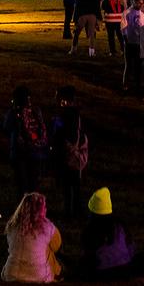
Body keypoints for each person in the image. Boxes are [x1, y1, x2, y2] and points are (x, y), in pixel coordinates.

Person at [72, 186, 139, 280]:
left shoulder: (91, 230)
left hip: (102, 272)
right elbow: (131, 248)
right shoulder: (120, 226)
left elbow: (88, 254)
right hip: (125, 269)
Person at [0, 192, 62, 282]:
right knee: (48, 249)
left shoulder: (12, 226)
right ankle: (57, 273)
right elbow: (57, 246)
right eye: (44, 207)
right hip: (38, 276)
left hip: (11, 274)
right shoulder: (47, 227)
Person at [4, 85, 48, 199]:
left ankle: (27, 211)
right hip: (31, 152)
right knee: (29, 185)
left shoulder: (17, 112)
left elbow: (6, 129)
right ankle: (30, 211)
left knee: (26, 186)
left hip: (25, 153)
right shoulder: (32, 111)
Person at [50, 87, 88, 217]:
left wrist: (64, 144)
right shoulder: (73, 114)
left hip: (69, 153)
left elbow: (68, 134)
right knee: (74, 185)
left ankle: (71, 211)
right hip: (72, 153)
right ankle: (75, 210)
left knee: (69, 185)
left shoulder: (69, 115)